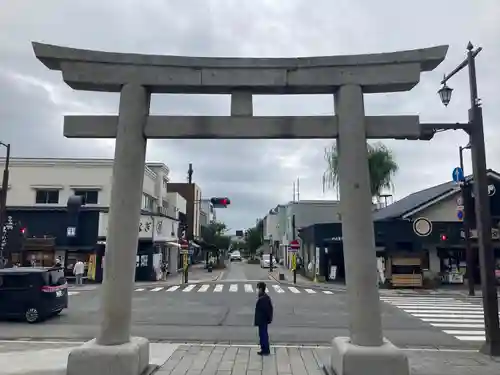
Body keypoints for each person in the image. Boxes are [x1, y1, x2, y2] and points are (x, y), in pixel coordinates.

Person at [254, 281, 273, 356]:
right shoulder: (264, 297)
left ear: (261, 289)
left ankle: (265, 350)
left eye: (258, 288)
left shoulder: (263, 298)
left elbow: (266, 310)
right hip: (263, 320)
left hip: (263, 320)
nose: (257, 290)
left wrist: (266, 319)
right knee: (263, 334)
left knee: (263, 335)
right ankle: (264, 349)